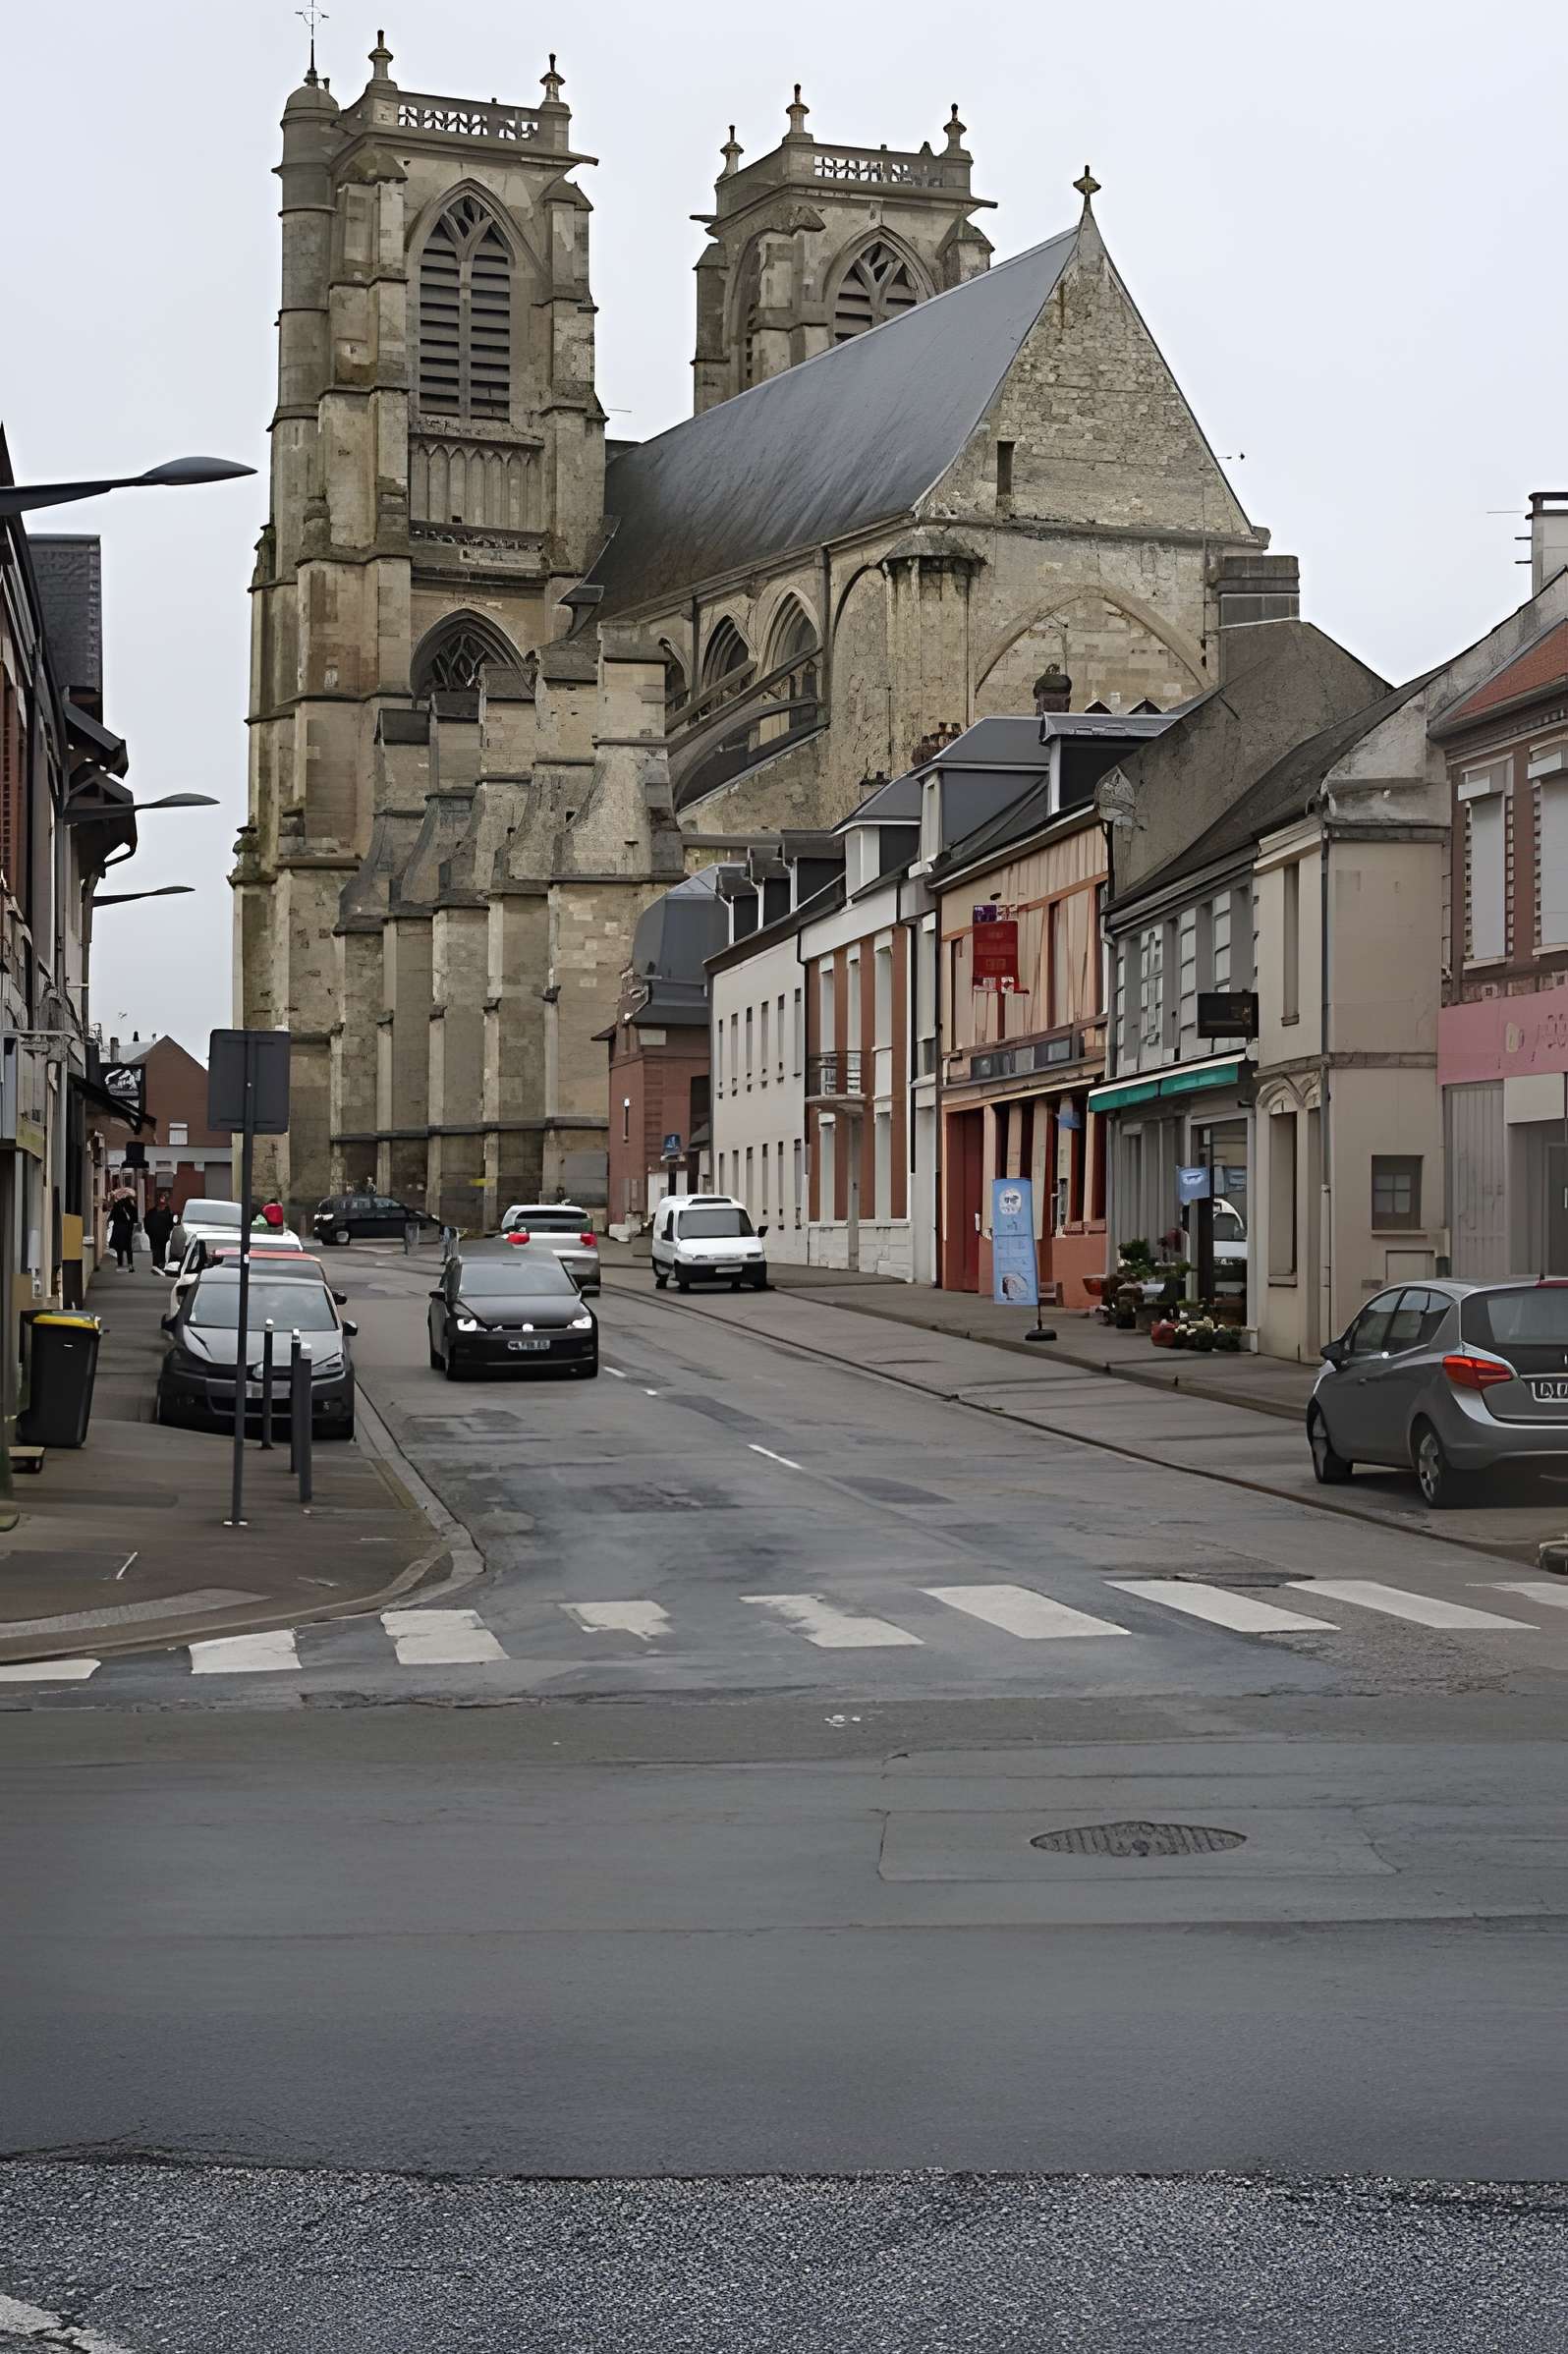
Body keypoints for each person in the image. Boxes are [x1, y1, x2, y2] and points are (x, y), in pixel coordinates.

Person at [107, 1183, 140, 1271]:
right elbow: (135, 1218)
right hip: (128, 1229)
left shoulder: (117, 1205)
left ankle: (120, 1264)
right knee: (128, 1247)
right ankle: (130, 1264)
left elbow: (112, 1216)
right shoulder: (131, 1206)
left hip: (118, 1229)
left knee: (119, 1248)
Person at [143, 1190, 176, 1274]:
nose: (161, 1204)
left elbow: (171, 1225)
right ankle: (155, 1266)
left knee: (163, 1251)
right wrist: (149, 1232)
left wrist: (168, 1233)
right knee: (155, 1251)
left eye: (163, 1202)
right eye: (160, 1201)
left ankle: (161, 1265)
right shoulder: (151, 1212)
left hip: (164, 1236)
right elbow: (146, 1222)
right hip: (154, 1236)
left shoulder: (169, 1213)